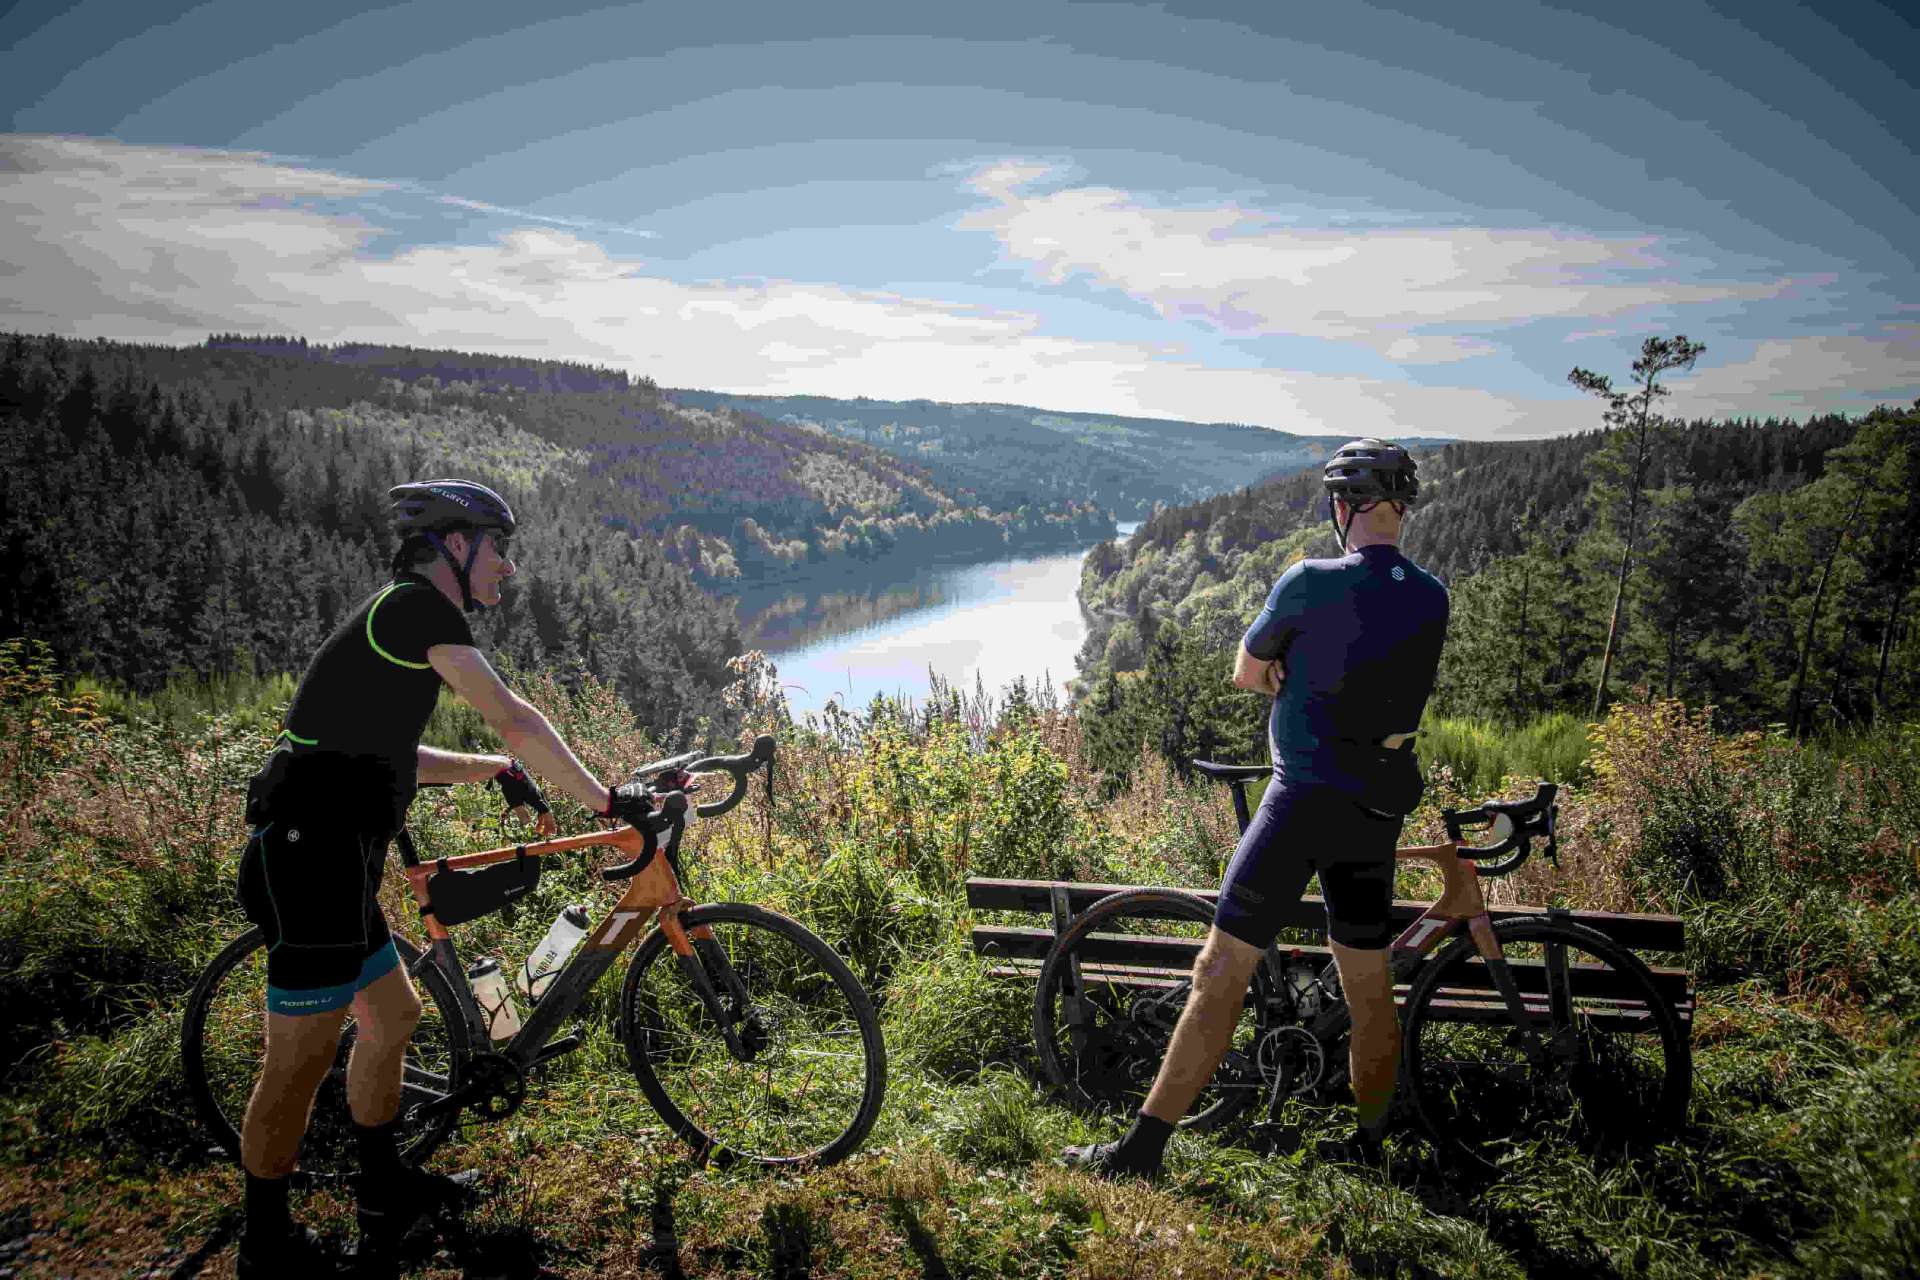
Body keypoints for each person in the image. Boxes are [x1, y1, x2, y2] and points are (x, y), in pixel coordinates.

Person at [234, 479, 655, 1277]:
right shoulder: (417, 609)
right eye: (499, 548)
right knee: (297, 1063)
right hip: (307, 860)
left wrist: (492, 769)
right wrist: (604, 800)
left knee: (393, 1014)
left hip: (337, 859)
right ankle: (267, 1246)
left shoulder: (401, 623)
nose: (509, 566)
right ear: (455, 546)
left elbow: (396, 755)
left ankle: (384, 1188)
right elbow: (515, 715)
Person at [1063, 438, 1449, 1179]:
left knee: (1221, 970)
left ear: (1344, 505)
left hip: (1301, 800)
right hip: (1376, 806)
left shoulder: (1308, 581)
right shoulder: (1432, 596)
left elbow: (1247, 670)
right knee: (1370, 987)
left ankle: (1141, 1151)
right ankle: (1371, 1146)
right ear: (1401, 506)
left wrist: (1288, 675)